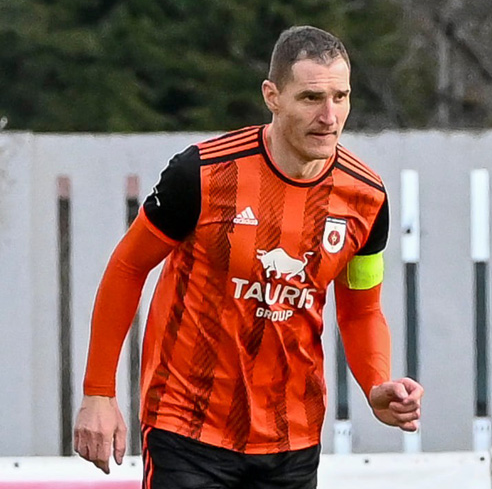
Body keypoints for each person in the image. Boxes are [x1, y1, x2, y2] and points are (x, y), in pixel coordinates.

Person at [73, 25, 423, 489]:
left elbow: (362, 310)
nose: (329, 116)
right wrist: (98, 392)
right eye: (311, 98)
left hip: (292, 438)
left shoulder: (367, 198)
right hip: (186, 427)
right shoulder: (201, 174)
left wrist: (376, 383)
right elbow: (127, 267)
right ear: (272, 96)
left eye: (341, 97)